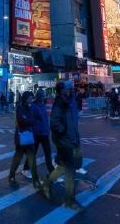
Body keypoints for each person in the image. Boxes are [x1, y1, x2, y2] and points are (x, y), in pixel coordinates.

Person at [42, 80, 83, 211]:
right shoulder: (59, 104)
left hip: (72, 139)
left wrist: (75, 137)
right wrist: (63, 131)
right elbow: (54, 123)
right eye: (68, 89)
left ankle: (47, 184)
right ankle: (70, 200)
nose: (71, 91)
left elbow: (74, 122)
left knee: (63, 167)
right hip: (64, 141)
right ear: (62, 91)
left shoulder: (71, 102)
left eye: (72, 88)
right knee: (70, 171)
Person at [8, 91, 41, 188]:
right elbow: (22, 120)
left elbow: (31, 119)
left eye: (32, 98)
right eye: (30, 98)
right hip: (21, 136)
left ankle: (35, 179)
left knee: (32, 159)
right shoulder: (20, 107)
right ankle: (11, 176)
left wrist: (30, 120)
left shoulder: (29, 108)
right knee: (17, 158)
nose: (31, 100)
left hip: (29, 136)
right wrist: (31, 120)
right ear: (25, 98)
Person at [22, 89, 54, 178]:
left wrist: (48, 129)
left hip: (44, 133)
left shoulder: (43, 105)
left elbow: (45, 118)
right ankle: (25, 169)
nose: (44, 97)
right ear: (39, 96)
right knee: (33, 153)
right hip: (36, 134)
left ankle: (52, 171)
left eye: (44, 95)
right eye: (43, 95)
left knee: (48, 153)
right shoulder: (33, 106)